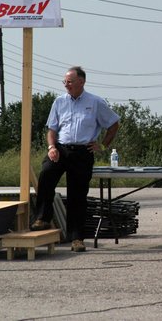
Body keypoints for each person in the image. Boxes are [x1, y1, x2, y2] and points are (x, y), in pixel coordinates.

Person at [31, 66, 120, 253]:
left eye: (70, 82)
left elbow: (113, 124)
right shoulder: (59, 101)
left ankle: (77, 238)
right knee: (46, 174)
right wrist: (51, 147)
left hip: (82, 152)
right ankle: (42, 217)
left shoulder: (95, 102)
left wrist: (102, 145)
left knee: (77, 196)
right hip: (61, 149)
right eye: (65, 82)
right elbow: (52, 130)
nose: (66, 85)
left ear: (81, 81)